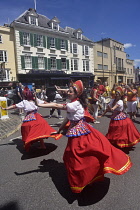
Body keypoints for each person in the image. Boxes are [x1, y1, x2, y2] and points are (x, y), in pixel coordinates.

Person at [36, 80, 132, 194]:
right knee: (75, 156)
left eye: (70, 91)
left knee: (78, 156)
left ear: (77, 94)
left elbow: (57, 105)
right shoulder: (73, 103)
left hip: (80, 132)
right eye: (69, 91)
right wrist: (60, 129)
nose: (68, 93)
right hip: (76, 130)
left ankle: (86, 178)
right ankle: (86, 177)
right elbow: (68, 118)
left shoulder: (75, 104)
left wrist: (40, 104)